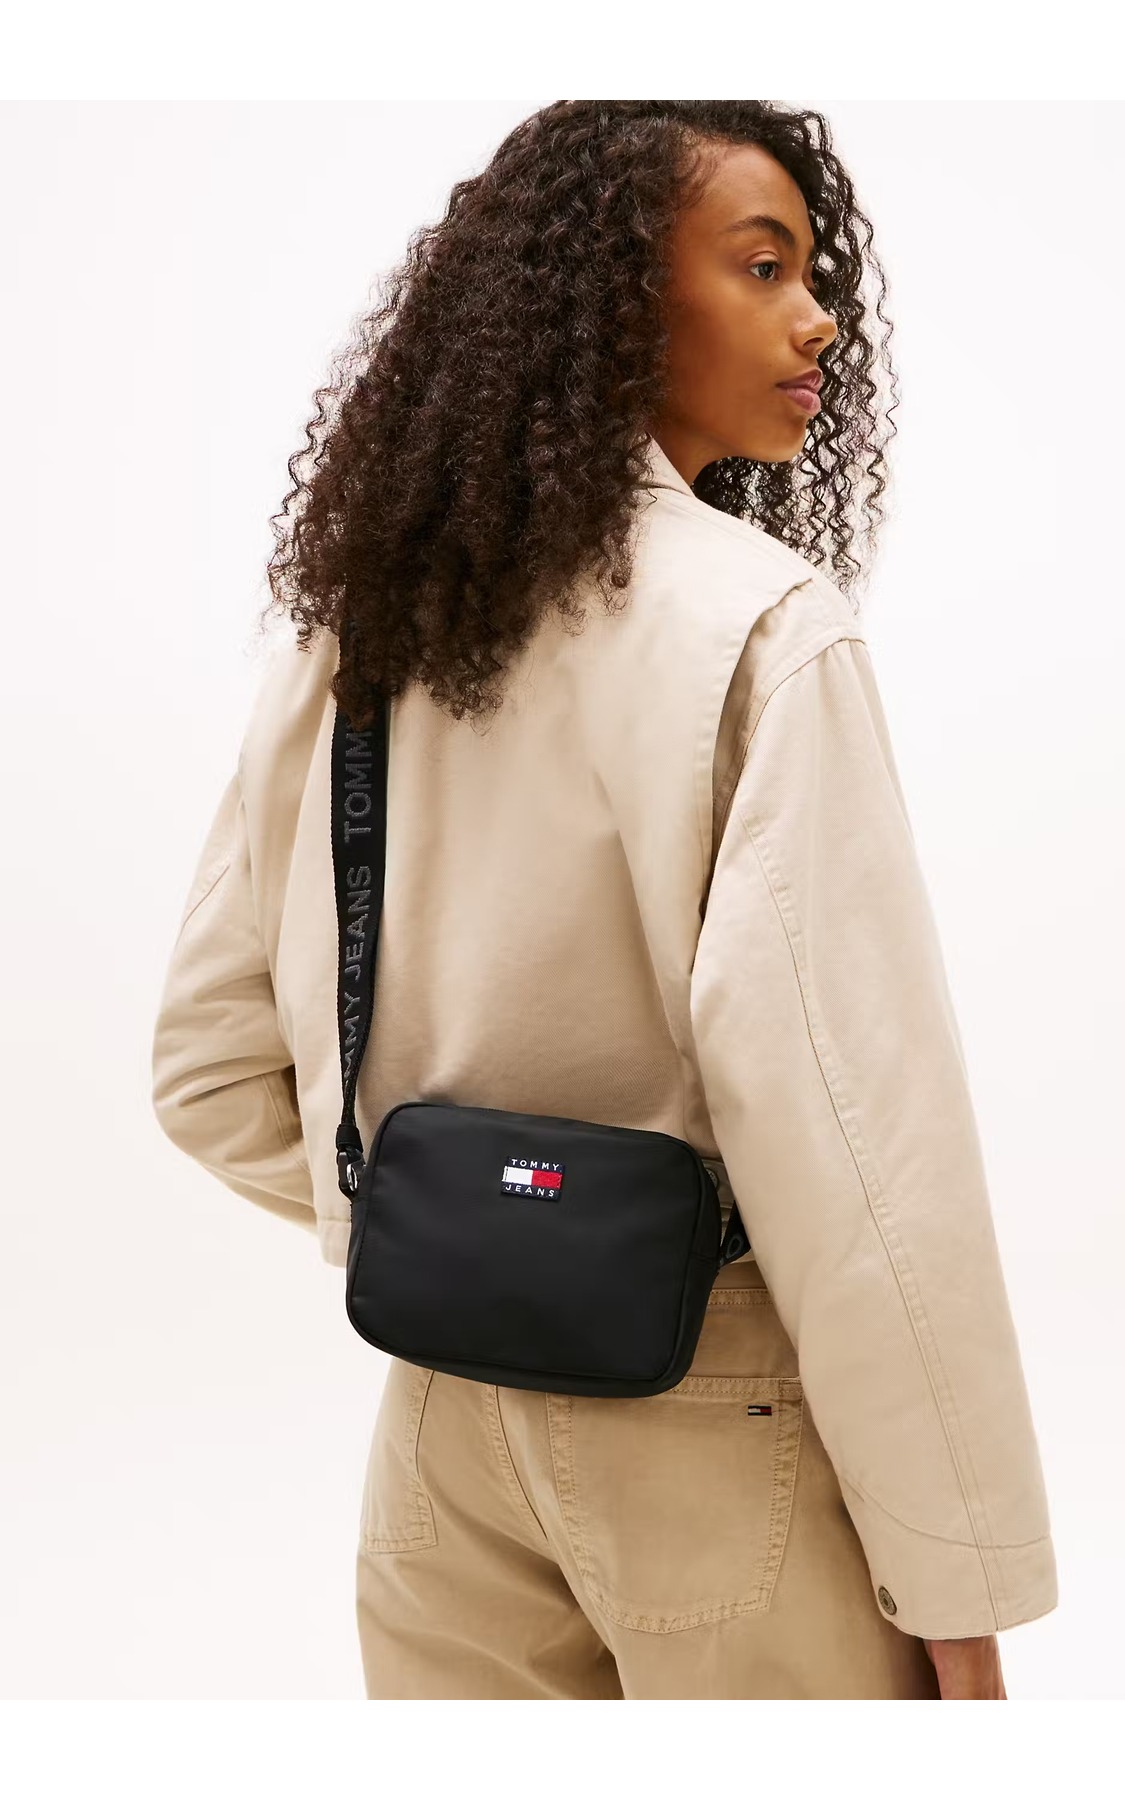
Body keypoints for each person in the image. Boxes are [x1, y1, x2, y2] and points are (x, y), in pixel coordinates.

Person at [149, 100, 1056, 1700]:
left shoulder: (367, 629)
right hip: (722, 1425)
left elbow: (211, 1068)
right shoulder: (765, 629)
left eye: (815, 273)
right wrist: (958, 1595)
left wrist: (472, 1233)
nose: (818, 318)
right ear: (618, 297)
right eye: (762, 267)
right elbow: (863, 1171)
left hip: (441, 1433)